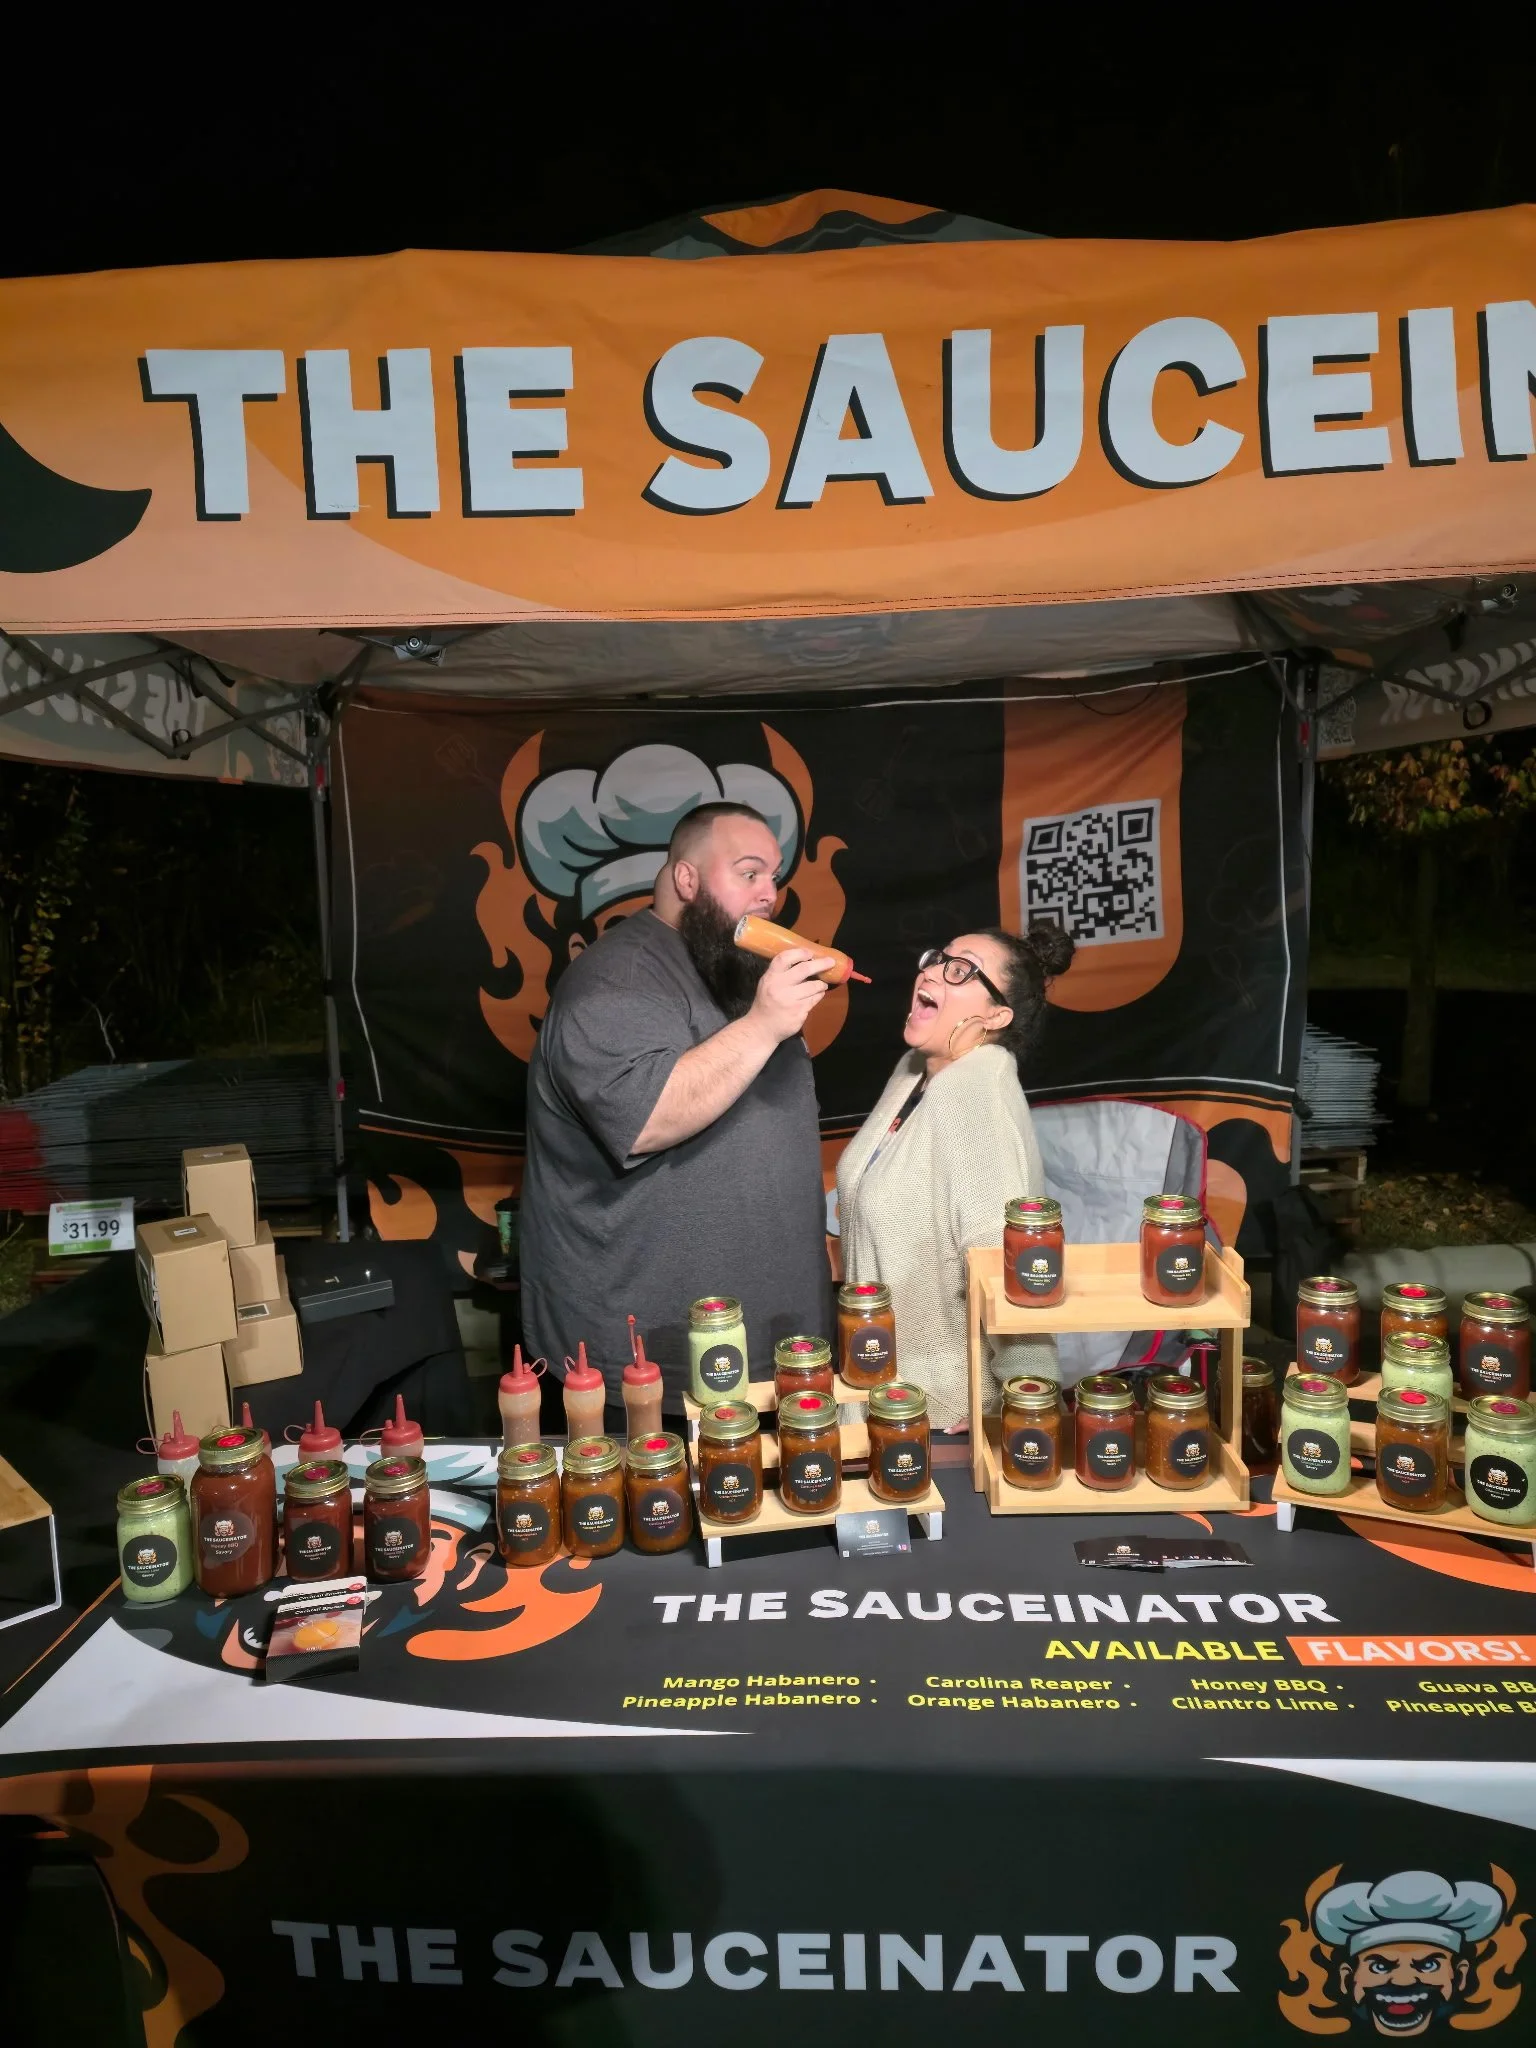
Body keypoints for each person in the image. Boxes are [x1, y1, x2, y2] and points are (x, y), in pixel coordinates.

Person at [520, 801, 835, 1415]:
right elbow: (646, 1119)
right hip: (650, 1364)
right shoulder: (617, 977)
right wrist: (766, 1024)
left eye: (773, 877)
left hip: (764, 1347)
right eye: (748, 873)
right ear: (687, 880)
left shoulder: (734, 970)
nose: (769, 894)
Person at [835, 924, 1075, 1429]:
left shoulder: (972, 1093)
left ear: (995, 1016)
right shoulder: (916, 1072)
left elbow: (1006, 1255)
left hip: (944, 1408)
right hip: (886, 1389)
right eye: (939, 957)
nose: (933, 971)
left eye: (961, 969)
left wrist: (1024, 1398)